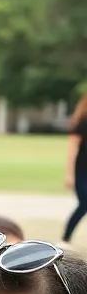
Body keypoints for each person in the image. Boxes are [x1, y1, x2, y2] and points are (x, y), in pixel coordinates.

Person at [63, 92, 87, 243]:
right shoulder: (82, 121)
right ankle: (65, 238)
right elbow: (72, 150)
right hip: (82, 172)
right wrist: (69, 174)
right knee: (84, 203)